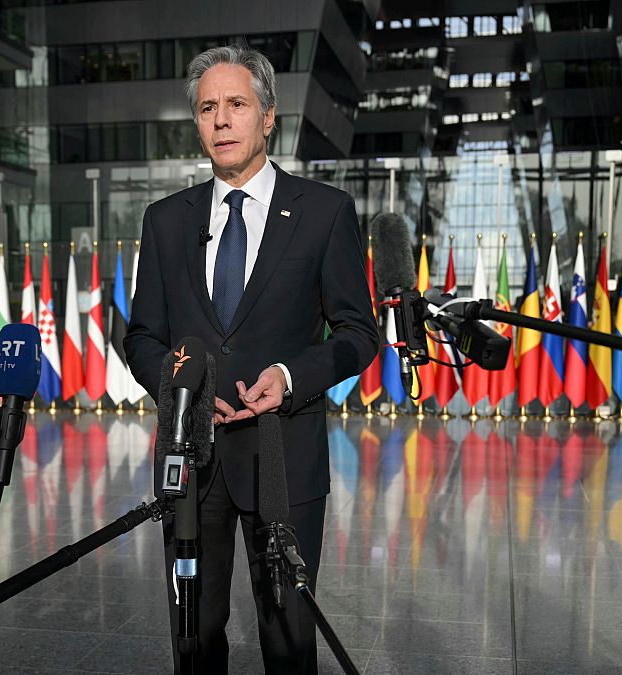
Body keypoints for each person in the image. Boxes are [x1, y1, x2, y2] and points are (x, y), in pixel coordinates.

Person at [124, 45, 378, 674]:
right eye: (208, 108)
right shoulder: (164, 221)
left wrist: (292, 377)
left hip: (281, 462)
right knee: (194, 637)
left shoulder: (324, 213)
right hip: (192, 460)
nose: (221, 120)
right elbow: (142, 337)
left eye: (236, 104)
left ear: (268, 117)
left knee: (288, 640)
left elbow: (358, 333)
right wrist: (178, 386)